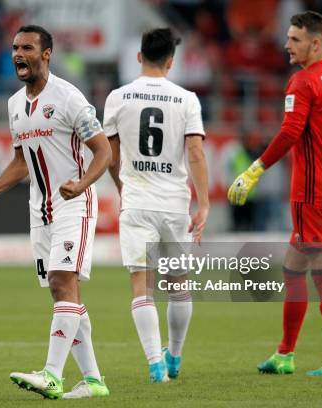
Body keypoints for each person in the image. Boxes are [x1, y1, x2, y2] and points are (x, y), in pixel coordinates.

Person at [0, 25, 111, 399]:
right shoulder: (15, 104)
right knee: (64, 293)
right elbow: (21, 161)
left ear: (46, 54)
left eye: (27, 47)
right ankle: (93, 381)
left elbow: (104, 152)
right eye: (15, 47)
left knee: (64, 283)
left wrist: (80, 185)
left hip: (74, 204)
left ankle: (51, 374)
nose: (18, 54)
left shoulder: (69, 98)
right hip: (39, 210)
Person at [228, 11, 322, 377]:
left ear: (315, 43)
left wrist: (254, 170)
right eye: (288, 38)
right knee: (293, 270)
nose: (287, 45)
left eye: (295, 39)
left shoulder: (304, 81)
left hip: (312, 194)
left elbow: (290, 133)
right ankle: (285, 354)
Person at [103, 28, 210, 383]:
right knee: (178, 284)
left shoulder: (117, 97)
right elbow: (195, 152)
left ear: (138, 57)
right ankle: (175, 355)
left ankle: (154, 364)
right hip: (175, 204)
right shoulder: (187, 99)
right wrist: (205, 204)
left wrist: (124, 189)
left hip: (138, 201)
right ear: (171, 61)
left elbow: (110, 157)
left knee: (141, 284)